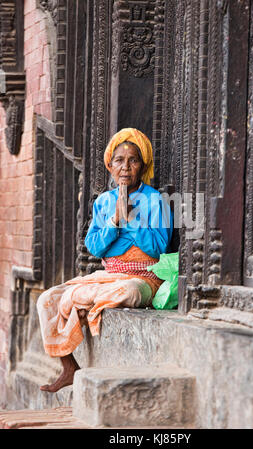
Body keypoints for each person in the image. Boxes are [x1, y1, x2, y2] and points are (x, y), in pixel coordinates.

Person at [36, 128, 173, 393]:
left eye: (133, 160)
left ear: (142, 166)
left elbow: (158, 248)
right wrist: (114, 221)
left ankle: (90, 300)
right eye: (119, 160)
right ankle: (68, 366)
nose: (125, 167)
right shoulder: (104, 202)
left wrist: (131, 220)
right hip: (107, 277)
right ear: (109, 166)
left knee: (128, 291)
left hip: (144, 278)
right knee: (47, 299)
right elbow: (95, 247)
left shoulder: (154, 200)